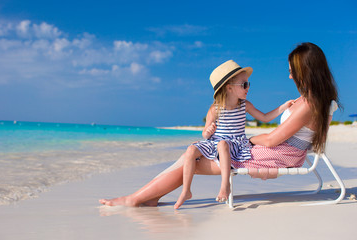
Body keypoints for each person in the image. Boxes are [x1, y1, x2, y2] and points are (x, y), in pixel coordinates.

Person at [99, 42, 339, 209]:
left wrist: (251, 140)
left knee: (189, 160)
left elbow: (274, 139)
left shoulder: (309, 104)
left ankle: (135, 199)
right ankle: (145, 197)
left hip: (279, 154)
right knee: (189, 158)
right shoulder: (310, 100)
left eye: (292, 72)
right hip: (280, 151)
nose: (289, 77)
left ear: (305, 71)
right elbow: (276, 131)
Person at [174, 60, 294, 209]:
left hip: (234, 144)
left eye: (248, 84)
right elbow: (205, 134)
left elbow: (264, 117)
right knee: (191, 150)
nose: (248, 87)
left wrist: (283, 107)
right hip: (215, 142)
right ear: (229, 88)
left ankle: (225, 186)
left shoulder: (245, 105)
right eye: (244, 84)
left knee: (222, 144)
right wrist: (208, 131)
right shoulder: (215, 109)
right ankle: (186, 190)